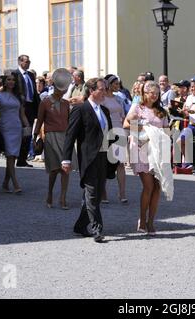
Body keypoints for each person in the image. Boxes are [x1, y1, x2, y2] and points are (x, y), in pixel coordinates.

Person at [62, 77, 113, 243]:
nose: (105, 92)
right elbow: (70, 136)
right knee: (91, 193)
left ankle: (80, 225)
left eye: (105, 89)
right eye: (102, 89)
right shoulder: (80, 109)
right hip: (88, 158)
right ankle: (97, 228)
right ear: (92, 91)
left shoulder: (104, 111)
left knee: (97, 194)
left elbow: (110, 135)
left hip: (103, 157)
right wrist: (66, 159)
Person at [124, 81, 170, 235]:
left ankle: (151, 221)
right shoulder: (138, 107)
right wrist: (142, 129)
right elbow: (126, 123)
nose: (154, 95)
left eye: (157, 93)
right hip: (141, 149)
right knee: (148, 186)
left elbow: (166, 131)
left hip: (157, 151)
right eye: (152, 93)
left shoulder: (161, 111)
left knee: (157, 187)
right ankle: (142, 219)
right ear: (145, 93)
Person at [33, 69, 73, 210]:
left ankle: (63, 198)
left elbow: (69, 121)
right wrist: (36, 136)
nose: (62, 90)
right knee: (54, 170)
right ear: (54, 86)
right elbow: (39, 121)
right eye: (60, 87)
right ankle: (49, 193)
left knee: (65, 169)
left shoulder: (66, 103)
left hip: (65, 137)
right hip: (50, 137)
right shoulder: (44, 102)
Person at [0, 71, 31, 194]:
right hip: (5, 126)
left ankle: (5, 183)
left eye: (13, 80)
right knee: (10, 154)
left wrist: (28, 126)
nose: (11, 82)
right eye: (9, 79)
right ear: (4, 81)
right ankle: (15, 183)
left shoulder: (19, 97)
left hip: (16, 127)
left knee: (13, 156)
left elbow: (22, 114)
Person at [102, 74, 127, 204]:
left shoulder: (119, 99)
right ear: (109, 85)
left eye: (118, 84)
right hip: (107, 133)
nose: (118, 86)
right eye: (116, 84)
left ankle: (122, 193)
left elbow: (123, 116)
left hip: (119, 131)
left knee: (120, 163)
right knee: (105, 163)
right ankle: (103, 193)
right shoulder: (102, 99)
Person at [15, 55, 40, 168]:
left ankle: (22, 159)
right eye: (26, 61)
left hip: (30, 107)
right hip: (21, 107)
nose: (29, 63)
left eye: (29, 61)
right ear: (20, 62)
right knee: (21, 132)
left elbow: (34, 92)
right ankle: (16, 156)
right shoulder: (15, 74)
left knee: (28, 132)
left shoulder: (30, 74)